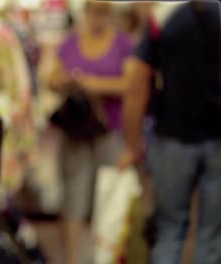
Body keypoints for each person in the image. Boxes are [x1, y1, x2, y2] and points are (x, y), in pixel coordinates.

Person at [120, 1, 221, 263]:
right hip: (216, 137)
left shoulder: (163, 18)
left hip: (172, 137)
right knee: (212, 236)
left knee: (170, 230)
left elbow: (138, 84)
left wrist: (133, 145)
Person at [49, 1, 134, 263]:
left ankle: (106, 256)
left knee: (110, 198)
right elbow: (52, 78)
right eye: (94, 10)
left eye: (104, 11)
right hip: (76, 130)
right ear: (85, 12)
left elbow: (130, 84)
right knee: (73, 198)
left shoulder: (124, 44)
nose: (98, 17)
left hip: (111, 131)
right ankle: (72, 258)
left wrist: (91, 84)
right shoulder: (70, 43)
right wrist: (65, 81)